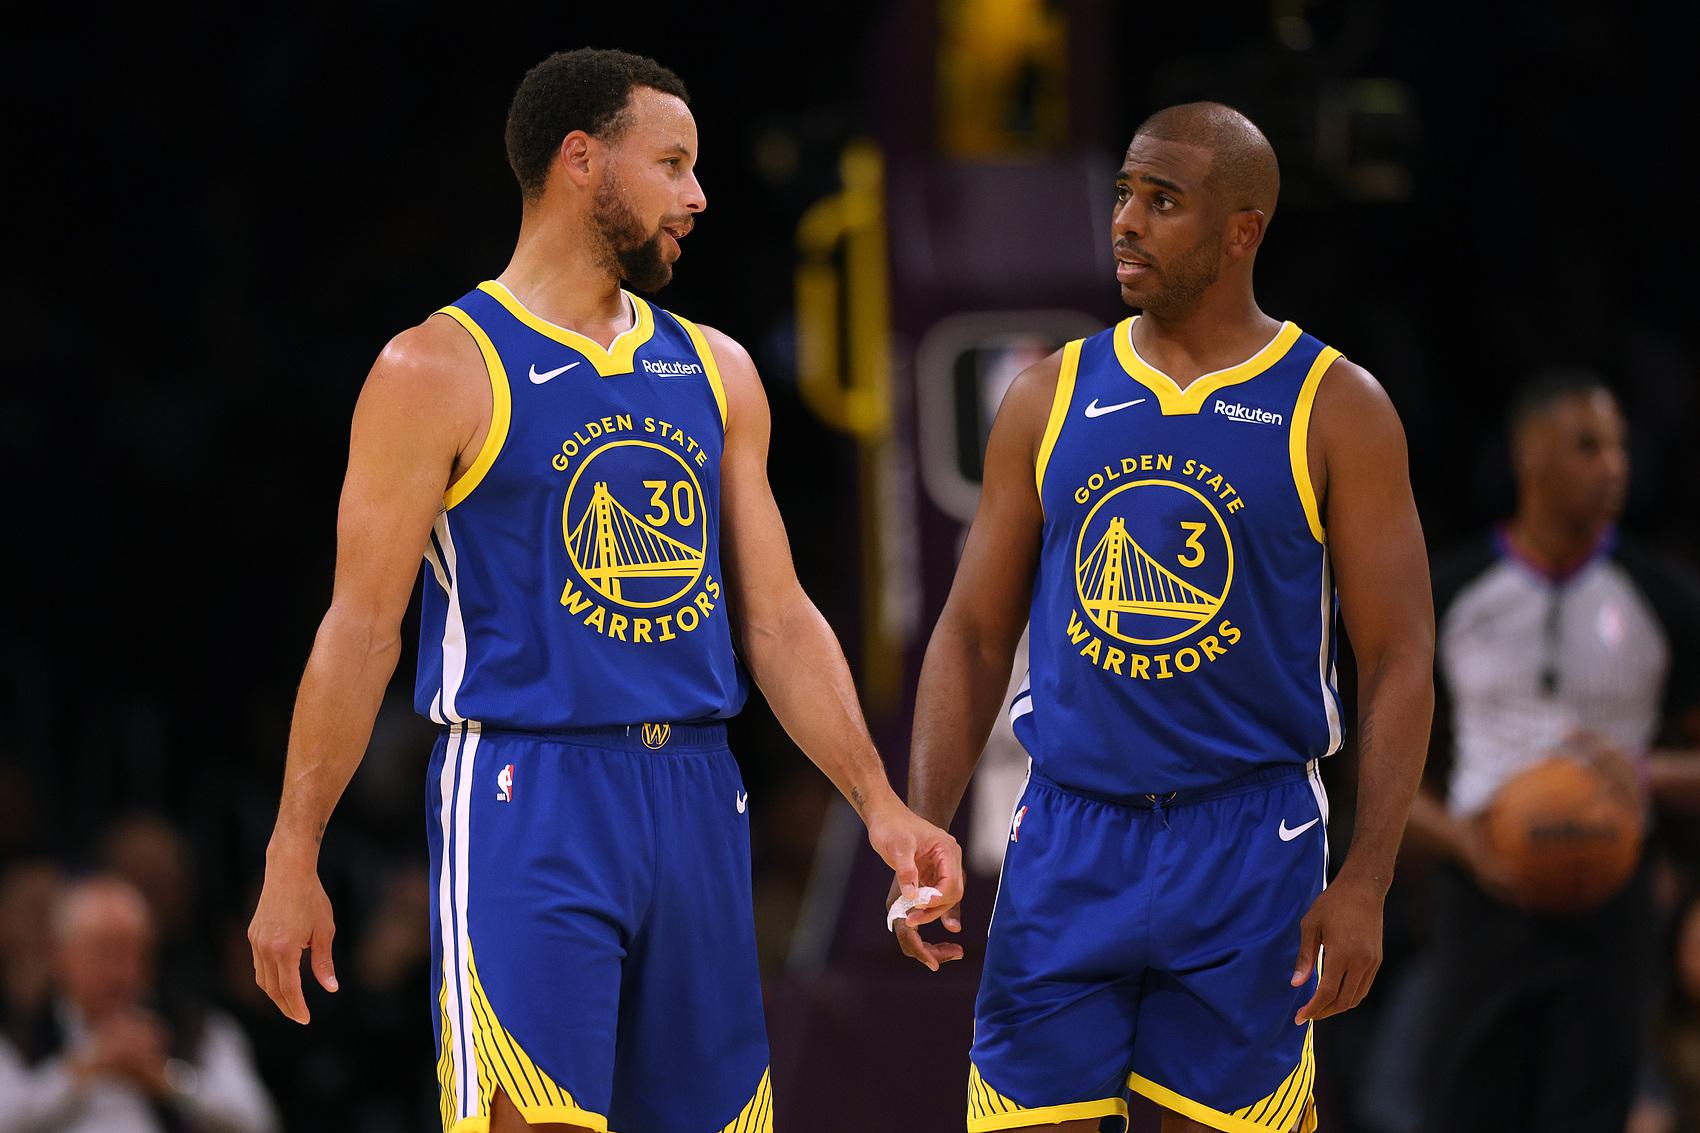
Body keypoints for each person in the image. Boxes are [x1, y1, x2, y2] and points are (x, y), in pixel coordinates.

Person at [245, 48, 961, 1133]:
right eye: (671, 164)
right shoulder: (435, 367)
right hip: (527, 791)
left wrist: (880, 805)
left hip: (698, 791)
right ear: (580, 159)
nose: (697, 195)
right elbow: (360, 629)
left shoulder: (716, 368)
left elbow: (776, 618)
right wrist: (293, 846)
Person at [891, 102, 1435, 1133]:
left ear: (1241, 231)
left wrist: (1367, 877)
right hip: (1069, 835)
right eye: (1123, 194)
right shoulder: (1047, 395)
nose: (1126, 222)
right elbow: (970, 634)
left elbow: (1399, 652)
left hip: (1250, 845)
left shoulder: (1336, 405)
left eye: (1163, 201)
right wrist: (925, 829)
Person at [1403, 372, 1700, 1133]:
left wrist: (1646, 772)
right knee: (1466, 1111)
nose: (1615, 466)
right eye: (1588, 446)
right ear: (1531, 457)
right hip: (1484, 891)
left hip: (1616, 897)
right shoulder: (1451, 591)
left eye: (1620, 447)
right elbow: (1380, 773)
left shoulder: (1665, 597)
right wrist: (1462, 841)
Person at [0, 876, 278, 1133]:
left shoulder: (199, 1029)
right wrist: (83, 1067)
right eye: (104, 951)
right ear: (60, 956)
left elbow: (257, 1122)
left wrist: (167, 1078)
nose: (119, 972)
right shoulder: (19, 1040)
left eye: (133, 952)